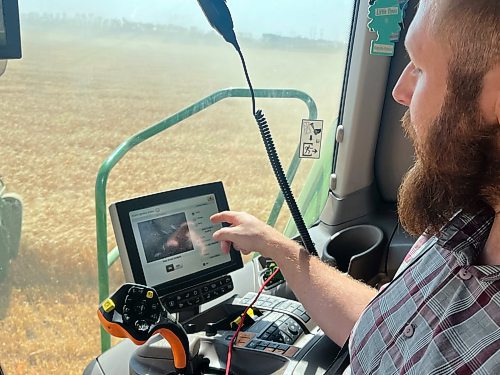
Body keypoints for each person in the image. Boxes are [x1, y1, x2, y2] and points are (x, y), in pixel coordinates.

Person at [211, 0, 500, 373]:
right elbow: (384, 327)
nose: (400, 90)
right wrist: (276, 247)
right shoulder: (462, 218)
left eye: (421, 67)